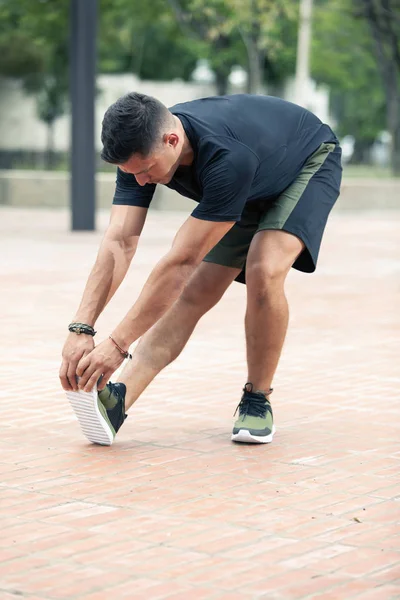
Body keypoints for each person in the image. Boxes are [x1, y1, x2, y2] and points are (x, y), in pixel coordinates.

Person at [60, 92, 342, 446]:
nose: (141, 182)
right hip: (252, 181)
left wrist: (117, 344)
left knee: (263, 268)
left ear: (172, 140)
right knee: (195, 291)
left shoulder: (227, 158)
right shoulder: (140, 154)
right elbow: (120, 241)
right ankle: (119, 400)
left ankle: (257, 398)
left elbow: (181, 261)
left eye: (146, 171)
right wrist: (81, 327)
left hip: (306, 162)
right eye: (133, 174)